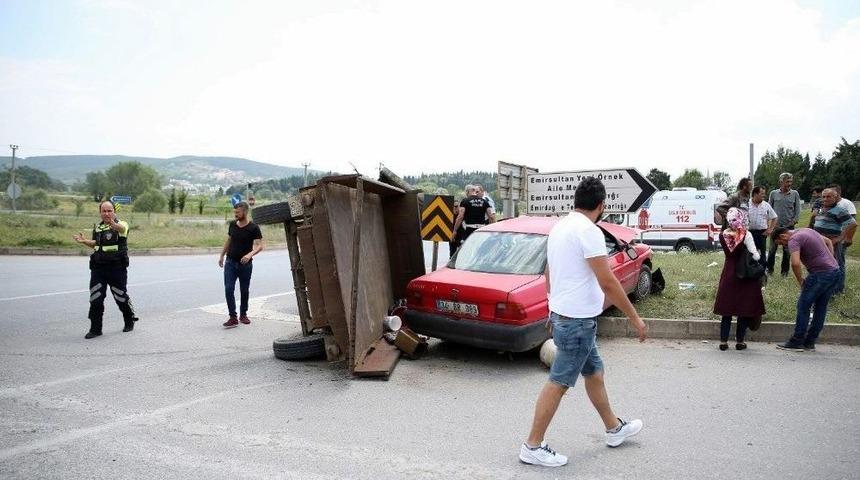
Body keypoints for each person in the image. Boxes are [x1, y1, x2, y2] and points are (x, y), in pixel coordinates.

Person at [519, 177, 648, 468]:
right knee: (558, 383)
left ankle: (614, 428)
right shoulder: (589, 232)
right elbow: (608, 282)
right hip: (576, 323)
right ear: (601, 205)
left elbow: (550, 272)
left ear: (576, 200)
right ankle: (533, 446)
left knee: (595, 373)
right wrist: (635, 318)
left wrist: (553, 309)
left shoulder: (561, 227)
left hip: (570, 318)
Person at [72, 201, 138, 339]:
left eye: (109, 211)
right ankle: (95, 329)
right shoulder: (98, 227)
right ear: (100, 212)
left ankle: (129, 319)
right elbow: (96, 244)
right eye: (104, 211)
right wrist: (84, 241)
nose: (107, 213)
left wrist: (114, 224)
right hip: (98, 268)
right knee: (95, 298)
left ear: (114, 211)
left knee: (120, 296)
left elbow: (121, 229)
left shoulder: (122, 224)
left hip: (117, 268)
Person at [772, 227, 839, 351]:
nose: (784, 246)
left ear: (782, 236)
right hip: (834, 271)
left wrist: (800, 280)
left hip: (819, 274)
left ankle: (797, 341)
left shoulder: (793, 239)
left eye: (781, 243)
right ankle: (810, 342)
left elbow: (795, 263)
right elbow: (829, 241)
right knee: (820, 308)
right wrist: (831, 259)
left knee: (803, 306)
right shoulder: (806, 230)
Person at [713, 208, 765, 351]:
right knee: (743, 310)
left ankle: (723, 342)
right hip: (744, 274)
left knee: (727, 310)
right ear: (741, 219)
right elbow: (755, 256)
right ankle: (740, 341)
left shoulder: (723, 234)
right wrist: (756, 254)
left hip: (729, 273)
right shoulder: (746, 234)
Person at [218, 201, 263, 328]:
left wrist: (249, 255)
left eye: (238, 212)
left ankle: (243, 314)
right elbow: (229, 240)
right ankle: (233, 317)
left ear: (245, 212)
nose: (235, 214)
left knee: (244, 290)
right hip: (230, 262)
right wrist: (221, 255)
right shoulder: (232, 224)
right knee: (228, 288)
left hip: (245, 265)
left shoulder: (253, 227)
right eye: (235, 212)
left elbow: (259, 246)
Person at [812, 187, 856, 295]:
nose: (825, 199)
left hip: (833, 243)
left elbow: (852, 224)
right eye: (824, 196)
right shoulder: (822, 208)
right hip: (820, 242)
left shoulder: (840, 210)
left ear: (835, 197)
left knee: (836, 265)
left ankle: (837, 291)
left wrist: (840, 238)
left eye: (828, 196)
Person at [767, 173, 802, 276]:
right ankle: (769, 270)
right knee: (772, 250)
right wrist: (771, 223)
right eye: (787, 181)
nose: (789, 184)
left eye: (790, 181)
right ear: (781, 182)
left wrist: (794, 221)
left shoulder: (795, 194)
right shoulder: (773, 193)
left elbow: (797, 210)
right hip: (775, 227)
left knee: (787, 251)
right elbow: (768, 209)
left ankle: (784, 272)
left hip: (789, 227)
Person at [452, 185, 495, 254]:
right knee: (479, 250)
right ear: (475, 191)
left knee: (464, 250)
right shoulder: (484, 201)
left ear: (467, 192)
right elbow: (491, 217)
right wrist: (491, 231)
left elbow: (460, 216)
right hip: (481, 230)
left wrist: (455, 230)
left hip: (469, 230)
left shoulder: (465, 201)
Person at [747, 186, 777, 268]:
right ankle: (750, 272)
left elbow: (775, 217)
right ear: (755, 194)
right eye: (762, 194)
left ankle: (762, 272)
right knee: (750, 253)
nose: (764, 196)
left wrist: (770, 230)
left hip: (762, 233)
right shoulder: (746, 204)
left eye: (764, 194)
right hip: (749, 233)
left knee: (762, 254)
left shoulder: (766, 205)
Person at [449, 184, 473, 257]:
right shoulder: (450, 216)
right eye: (453, 207)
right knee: (452, 254)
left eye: (456, 206)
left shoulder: (463, 215)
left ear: (460, 206)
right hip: (453, 237)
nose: (454, 208)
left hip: (462, 237)